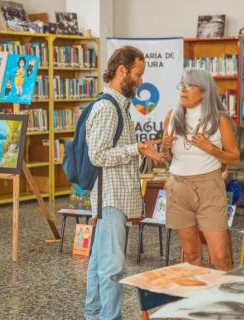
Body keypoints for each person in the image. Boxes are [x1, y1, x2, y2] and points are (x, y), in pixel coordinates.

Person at [84, 46, 164, 320]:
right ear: (122, 71)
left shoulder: (120, 106)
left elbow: (116, 151)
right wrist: (135, 150)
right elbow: (98, 155)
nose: (141, 81)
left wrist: (140, 150)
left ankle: (94, 314)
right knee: (112, 266)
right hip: (111, 198)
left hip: (114, 195)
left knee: (99, 261)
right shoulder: (108, 108)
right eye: (138, 75)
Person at [161, 68, 240, 271]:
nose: (183, 90)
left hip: (209, 187)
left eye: (190, 86)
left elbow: (235, 157)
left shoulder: (219, 119)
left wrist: (210, 149)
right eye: (182, 85)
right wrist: (165, 148)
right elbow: (166, 158)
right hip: (178, 187)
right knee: (191, 254)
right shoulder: (172, 116)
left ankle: (224, 301)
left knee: (221, 257)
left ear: (204, 91)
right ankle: (196, 301)